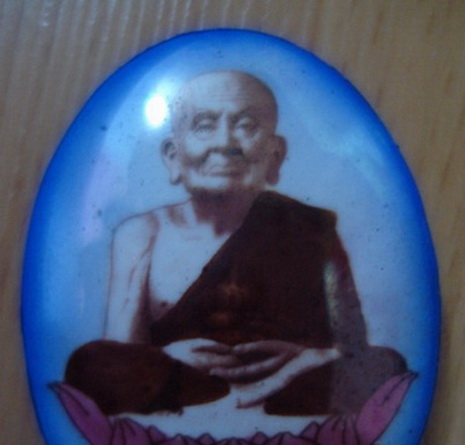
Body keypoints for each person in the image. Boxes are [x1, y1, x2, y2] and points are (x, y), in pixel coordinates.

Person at [65, 71, 406, 416]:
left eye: (246, 126)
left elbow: (352, 349)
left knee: (387, 365)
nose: (225, 142)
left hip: (288, 384)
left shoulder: (310, 229)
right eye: (204, 126)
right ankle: (218, 395)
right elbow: (121, 354)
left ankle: (261, 394)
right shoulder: (142, 233)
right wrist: (166, 358)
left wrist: (305, 361)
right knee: (89, 364)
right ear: (172, 155)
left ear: (275, 155)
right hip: (181, 382)